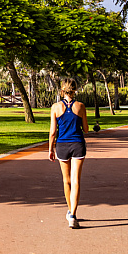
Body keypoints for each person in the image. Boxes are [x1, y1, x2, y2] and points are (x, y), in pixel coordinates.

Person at [48, 78, 89, 228]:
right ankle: (72, 213)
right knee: (76, 179)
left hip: (62, 145)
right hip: (77, 144)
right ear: (74, 90)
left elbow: (53, 132)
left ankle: (70, 211)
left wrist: (50, 149)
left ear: (62, 90)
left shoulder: (55, 107)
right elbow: (86, 129)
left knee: (66, 180)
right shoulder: (81, 106)